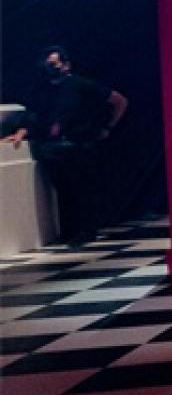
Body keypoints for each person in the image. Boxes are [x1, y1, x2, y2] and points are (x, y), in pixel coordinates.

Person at [4, 45, 127, 246]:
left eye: (54, 64)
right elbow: (34, 115)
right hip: (54, 148)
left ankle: (87, 230)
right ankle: (70, 230)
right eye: (48, 65)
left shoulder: (81, 85)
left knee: (82, 188)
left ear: (66, 65)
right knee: (63, 189)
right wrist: (21, 131)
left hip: (80, 144)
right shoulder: (43, 91)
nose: (51, 68)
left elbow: (119, 101)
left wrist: (107, 127)